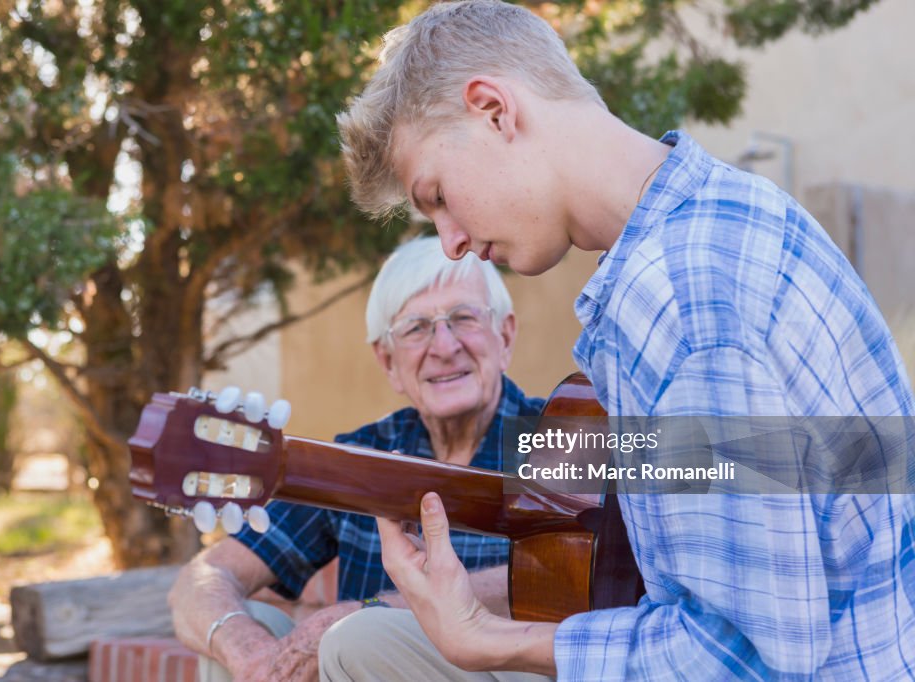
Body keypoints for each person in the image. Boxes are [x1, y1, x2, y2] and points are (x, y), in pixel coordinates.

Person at [330, 1, 915, 680]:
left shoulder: (679, 295)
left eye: (436, 195)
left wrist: (491, 641)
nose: (451, 240)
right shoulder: (735, 210)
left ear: (494, 109)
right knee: (363, 642)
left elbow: (749, 659)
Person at [168, 236, 552, 681]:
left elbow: (617, 576)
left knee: (356, 636)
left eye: (463, 318)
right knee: (246, 627)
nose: (444, 346)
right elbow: (201, 579)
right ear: (387, 361)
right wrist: (248, 653)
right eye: (415, 328)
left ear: (504, 336)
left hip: (515, 668)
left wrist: (373, 610)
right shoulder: (364, 453)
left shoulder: (567, 430)